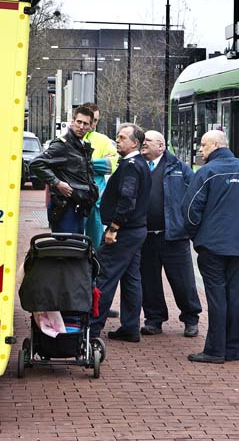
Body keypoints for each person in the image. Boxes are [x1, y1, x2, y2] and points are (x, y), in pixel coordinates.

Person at [182, 130, 239, 364]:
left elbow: (190, 210)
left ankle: (215, 350)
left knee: (217, 297)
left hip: (213, 247)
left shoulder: (207, 172)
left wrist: (196, 237)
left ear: (217, 145)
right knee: (235, 297)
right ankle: (232, 347)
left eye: (204, 145)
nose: (200, 149)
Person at [89, 123, 151, 342]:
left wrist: (114, 228)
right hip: (135, 231)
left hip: (124, 232)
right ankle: (131, 327)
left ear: (135, 142)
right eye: (118, 136)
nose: (118, 140)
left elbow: (127, 198)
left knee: (105, 275)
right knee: (131, 278)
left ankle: (93, 327)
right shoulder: (139, 163)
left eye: (123, 137)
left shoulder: (131, 166)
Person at [139, 130, 202, 338]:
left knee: (183, 281)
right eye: (143, 140)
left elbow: (195, 196)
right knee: (149, 281)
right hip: (146, 235)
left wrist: (188, 225)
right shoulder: (137, 166)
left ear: (161, 146)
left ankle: (191, 319)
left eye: (148, 140)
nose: (143, 143)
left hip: (174, 235)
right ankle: (154, 319)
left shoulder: (179, 167)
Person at [29, 106, 97, 233]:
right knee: (65, 247)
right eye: (79, 122)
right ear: (72, 122)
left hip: (79, 206)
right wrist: (57, 183)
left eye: (85, 124)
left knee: (76, 248)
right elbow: (36, 164)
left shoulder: (83, 146)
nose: (81, 127)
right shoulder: (62, 145)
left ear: (90, 126)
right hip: (65, 207)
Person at [81, 102, 118, 249]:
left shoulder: (103, 140)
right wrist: (97, 164)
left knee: (95, 245)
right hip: (75, 199)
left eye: (96, 120)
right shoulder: (70, 138)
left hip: (96, 201)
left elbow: (112, 164)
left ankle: (94, 271)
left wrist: (84, 164)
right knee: (73, 242)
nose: (92, 124)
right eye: (91, 119)